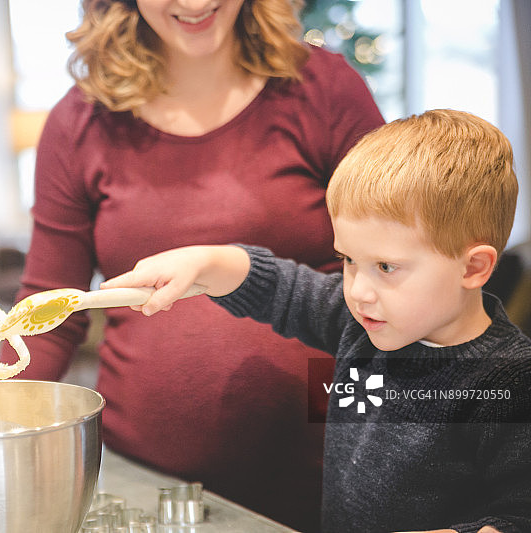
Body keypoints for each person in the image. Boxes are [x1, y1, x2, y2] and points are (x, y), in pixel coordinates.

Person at [1, 1, 383, 529]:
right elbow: (49, 309)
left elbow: (393, 272)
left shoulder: (323, 88)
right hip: (145, 482)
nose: (194, 2)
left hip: (327, 465)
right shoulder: (80, 121)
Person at [101, 109, 531, 533]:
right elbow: (281, 288)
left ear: (473, 268)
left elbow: (518, 516)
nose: (358, 290)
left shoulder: (511, 378)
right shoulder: (360, 322)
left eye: (386, 267)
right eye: (348, 260)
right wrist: (204, 260)